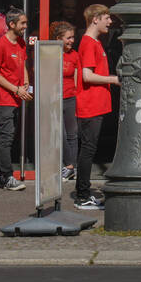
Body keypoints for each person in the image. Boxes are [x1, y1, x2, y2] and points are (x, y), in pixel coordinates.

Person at [74, 4, 119, 210]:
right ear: (95, 19)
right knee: (88, 150)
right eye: (106, 18)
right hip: (90, 104)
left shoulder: (95, 42)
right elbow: (87, 75)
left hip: (97, 104)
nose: (110, 22)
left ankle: (84, 193)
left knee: (89, 149)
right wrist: (113, 79)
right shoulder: (89, 43)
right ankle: (82, 195)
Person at [0, 6, 31, 191]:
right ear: (11, 24)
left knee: (9, 137)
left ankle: (4, 176)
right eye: (22, 23)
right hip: (3, 99)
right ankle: (5, 177)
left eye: (26, 23)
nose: (25, 26)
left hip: (16, 98)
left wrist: (26, 84)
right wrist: (16, 89)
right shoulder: (0, 45)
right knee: (5, 138)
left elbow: (23, 66)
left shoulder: (21, 43)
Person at [50, 21, 80, 182]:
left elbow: (76, 78)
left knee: (72, 134)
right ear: (58, 38)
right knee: (59, 134)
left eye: (73, 37)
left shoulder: (74, 55)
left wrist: (77, 96)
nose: (71, 41)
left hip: (70, 97)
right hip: (55, 99)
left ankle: (70, 168)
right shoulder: (51, 54)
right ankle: (68, 165)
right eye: (68, 38)